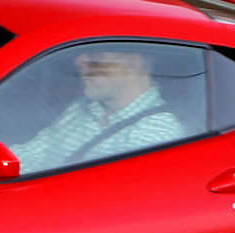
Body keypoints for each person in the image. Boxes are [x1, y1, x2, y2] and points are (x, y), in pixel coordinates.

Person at [13, 47, 187, 173]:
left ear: (130, 63)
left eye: (96, 54)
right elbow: (33, 154)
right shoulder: (82, 108)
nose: (79, 61)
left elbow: (102, 203)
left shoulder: (156, 134)